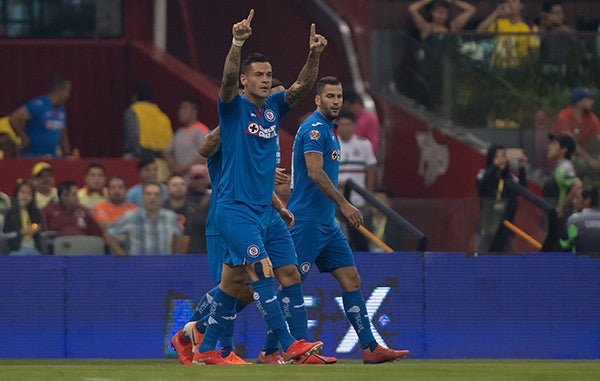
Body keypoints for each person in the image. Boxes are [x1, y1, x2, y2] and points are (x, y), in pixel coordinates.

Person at [192, 9, 326, 365]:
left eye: (268, 75)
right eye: (259, 75)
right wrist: (237, 43)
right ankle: (288, 346)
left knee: (281, 274)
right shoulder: (232, 109)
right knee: (261, 272)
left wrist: (313, 55)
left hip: (265, 213)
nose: (266, 80)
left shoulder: (273, 110)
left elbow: (301, 87)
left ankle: (205, 349)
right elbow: (225, 80)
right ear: (244, 81)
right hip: (234, 210)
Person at [287, 76, 410, 363]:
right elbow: (315, 172)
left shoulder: (330, 131)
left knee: (351, 278)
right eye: (329, 96)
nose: (335, 101)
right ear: (317, 99)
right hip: (306, 221)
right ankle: (279, 350)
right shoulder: (315, 129)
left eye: (339, 96)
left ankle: (369, 347)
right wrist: (343, 203)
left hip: (326, 223)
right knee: (289, 283)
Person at [337, 110, 377, 252]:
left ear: (354, 126)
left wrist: (370, 195)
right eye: (341, 125)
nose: (345, 128)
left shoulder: (364, 144)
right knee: (342, 234)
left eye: (348, 125)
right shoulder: (332, 144)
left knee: (360, 235)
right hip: (337, 198)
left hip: (358, 198)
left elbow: (371, 170)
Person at [475, 144, 527, 253]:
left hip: (506, 230)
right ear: (491, 159)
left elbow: (523, 191)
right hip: (487, 229)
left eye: (503, 156)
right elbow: (481, 185)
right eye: (497, 157)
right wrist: (495, 167)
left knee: (503, 264)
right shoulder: (483, 174)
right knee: (483, 263)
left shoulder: (510, 179)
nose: (501, 160)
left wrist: (522, 168)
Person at [106, 182, 182, 256]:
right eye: (148, 194)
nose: (153, 197)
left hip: (163, 266)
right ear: (142, 198)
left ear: (162, 199)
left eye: (157, 194)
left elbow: (178, 238)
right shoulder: (130, 216)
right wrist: (123, 257)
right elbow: (110, 234)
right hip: (137, 266)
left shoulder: (171, 217)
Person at [9, 76, 72, 157]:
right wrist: (23, 137)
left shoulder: (61, 109)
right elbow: (14, 118)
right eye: (67, 91)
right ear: (59, 91)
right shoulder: (39, 105)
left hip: (52, 157)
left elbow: (63, 133)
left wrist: (67, 154)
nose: (68, 95)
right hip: (32, 157)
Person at [551, 88, 600, 176]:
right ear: (579, 103)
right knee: (581, 164)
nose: (592, 101)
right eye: (589, 99)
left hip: (582, 158)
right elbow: (572, 145)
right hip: (561, 159)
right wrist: (591, 161)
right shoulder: (563, 117)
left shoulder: (591, 118)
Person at [476, 0, 539, 68]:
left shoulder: (530, 26)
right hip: (498, 66)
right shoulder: (499, 22)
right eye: (507, 2)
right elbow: (479, 31)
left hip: (519, 68)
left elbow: (534, 49)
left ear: (521, 6)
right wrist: (496, 12)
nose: (510, 4)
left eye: (513, 2)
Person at [542, 134, 583, 238]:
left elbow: (577, 185)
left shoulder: (565, 166)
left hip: (561, 222)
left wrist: (561, 206)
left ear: (563, 150)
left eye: (554, 144)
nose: (550, 146)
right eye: (550, 143)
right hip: (555, 221)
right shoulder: (559, 166)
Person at [162, 97, 210, 177]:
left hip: (199, 180)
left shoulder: (202, 130)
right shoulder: (178, 133)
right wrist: (174, 166)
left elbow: (205, 156)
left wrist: (181, 169)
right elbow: (166, 152)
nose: (180, 112)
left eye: (184, 108)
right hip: (183, 183)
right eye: (180, 109)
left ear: (194, 111)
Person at [123, 81, 172, 158]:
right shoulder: (163, 116)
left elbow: (133, 137)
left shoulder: (133, 111)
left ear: (135, 96)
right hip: (160, 160)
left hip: (138, 159)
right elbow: (169, 144)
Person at [163, 175, 207, 254]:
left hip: (192, 253)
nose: (179, 187)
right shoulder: (161, 209)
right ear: (167, 189)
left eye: (182, 184)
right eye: (175, 185)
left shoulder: (195, 210)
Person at [2, 180, 46, 255]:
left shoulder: (35, 212)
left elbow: (42, 230)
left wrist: (37, 229)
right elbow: (5, 234)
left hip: (34, 248)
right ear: (16, 194)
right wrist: (21, 232)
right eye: (22, 193)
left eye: (29, 193)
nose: (25, 196)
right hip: (16, 249)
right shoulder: (10, 212)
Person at [408, 0, 476, 40]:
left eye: (446, 13)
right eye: (440, 12)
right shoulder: (426, 27)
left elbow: (471, 10)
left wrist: (454, 1)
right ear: (431, 13)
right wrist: (426, 1)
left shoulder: (452, 26)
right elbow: (412, 9)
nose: (443, 16)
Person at [341, 89, 380, 156]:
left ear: (355, 103)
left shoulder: (370, 119)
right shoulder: (336, 118)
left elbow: (373, 145)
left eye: (346, 107)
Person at [560, 186, 600, 252]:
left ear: (587, 200)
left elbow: (564, 244)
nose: (573, 201)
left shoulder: (575, 219)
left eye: (577, 198)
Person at [365, 187, 405, 252]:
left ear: (389, 203)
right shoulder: (363, 220)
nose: (376, 202)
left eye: (380, 199)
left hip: (388, 259)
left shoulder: (396, 224)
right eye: (374, 199)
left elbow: (400, 247)